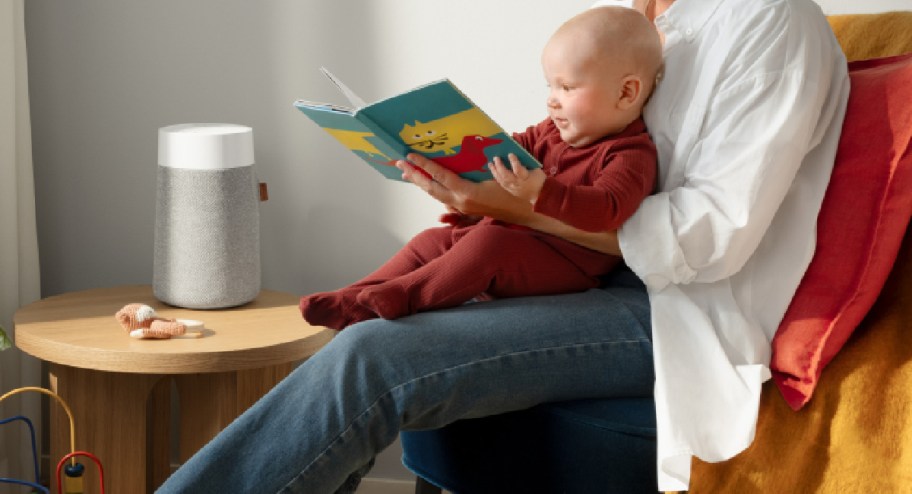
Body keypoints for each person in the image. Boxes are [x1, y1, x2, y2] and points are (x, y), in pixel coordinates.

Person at [157, 0, 849, 492]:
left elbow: (712, 237)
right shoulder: (645, 25)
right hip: (583, 276)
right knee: (402, 296)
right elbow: (562, 148)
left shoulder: (770, 21)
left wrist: (525, 208)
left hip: (674, 310)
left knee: (374, 354)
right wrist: (473, 178)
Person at [300, 6, 662, 331]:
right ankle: (352, 297)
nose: (552, 99)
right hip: (514, 237)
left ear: (627, 93)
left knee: (491, 243)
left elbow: (607, 210)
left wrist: (541, 192)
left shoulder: (630, 153)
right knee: (432, 241)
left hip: (566, 262)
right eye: (549, 85)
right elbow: (511, 149)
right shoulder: (552, 130)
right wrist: (456, 151)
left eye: (566, 87)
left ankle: (404, 296)